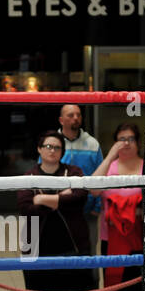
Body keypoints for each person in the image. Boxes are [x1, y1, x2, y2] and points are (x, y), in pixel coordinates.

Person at [17, 131, 98, 291]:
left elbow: (80, 198)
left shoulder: (73, 173)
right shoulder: (28, 176)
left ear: (62, 152)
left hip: (73, 252)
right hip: (37, 255)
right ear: (39, 149)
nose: (52, 150)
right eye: (48, 146)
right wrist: (60, 199)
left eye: (57, 147)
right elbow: (25, 208)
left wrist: (42, 199)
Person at [90, 121, 145, 291]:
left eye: (131, 139)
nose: (126, 143)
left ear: (139, 142)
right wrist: (110, 156)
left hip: (138, 240)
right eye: (121, 139)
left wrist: (135, 212)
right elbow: (92, 189)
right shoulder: (110, 167)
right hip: (110, 240)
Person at [55, 104, 103, 277]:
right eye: (70, 115)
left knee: (89, 255)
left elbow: (101, 176)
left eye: (78, 114)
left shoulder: (92, 143)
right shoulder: (51, 144)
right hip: (59, 210)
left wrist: (97, 208)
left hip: (87, 211)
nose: (76, 118)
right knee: (60, 252)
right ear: (61, 120)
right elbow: (42, 173)